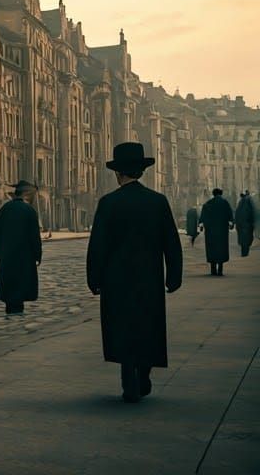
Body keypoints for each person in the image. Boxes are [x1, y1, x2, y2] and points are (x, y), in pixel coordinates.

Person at [86, 142, 182, 403]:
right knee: (147, 326)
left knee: (122, 327)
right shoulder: (157, 202)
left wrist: (94, 278)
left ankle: (128, 377)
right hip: (148, 277)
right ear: (142, 171)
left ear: (118, 173)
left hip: (116, 278)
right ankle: (144, 371)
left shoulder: (108, 203)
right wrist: (174, 276)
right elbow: (171, 242)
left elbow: (98, 245)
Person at [0, 180, 42, 316]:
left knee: (9, 286)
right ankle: (17, 310)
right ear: (27, 193)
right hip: (24, 258)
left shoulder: (4, 209)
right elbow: (34, 237)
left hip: (6, 257)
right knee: (20, 285)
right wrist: (37, 256)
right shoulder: (29, 211)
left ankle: (11, 308)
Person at [198, 188, 234, 275]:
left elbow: (202, 216)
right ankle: (220, 270)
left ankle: (213, 269)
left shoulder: (208, 203)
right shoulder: (225, 203)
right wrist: (232, 223)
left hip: (210, 231)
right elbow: (230, 214)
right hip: (222, 230)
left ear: (213, 194)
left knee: (212, 248)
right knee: (221, 248)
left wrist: (201, 225)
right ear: (221, 194)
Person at [235, 191, 254, 257]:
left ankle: (243, 253)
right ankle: (245, 253)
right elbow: (251, 213)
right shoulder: (248, 202)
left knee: (243, 240)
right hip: (247, 224)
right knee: (247, 240)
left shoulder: (240, 203)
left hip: (241, 224)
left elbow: (237, 214)